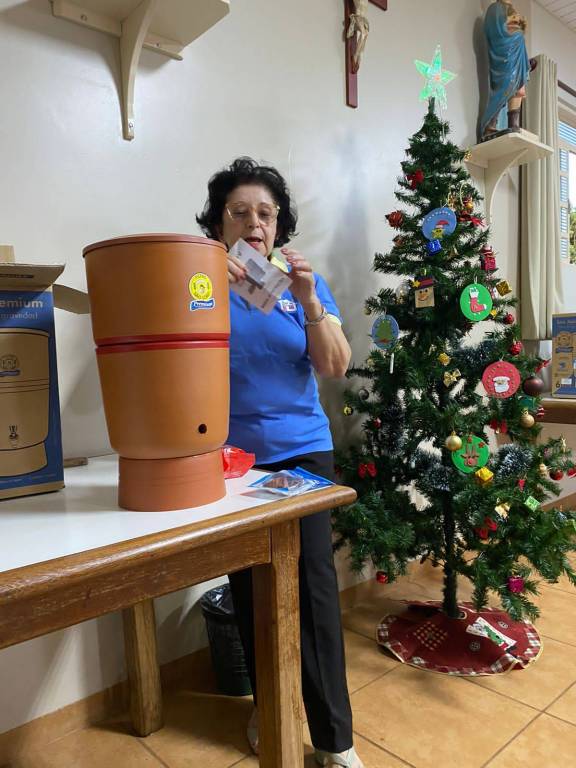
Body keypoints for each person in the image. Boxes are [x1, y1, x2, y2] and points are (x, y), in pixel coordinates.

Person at [197, 157, 363, 768]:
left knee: (314, 589)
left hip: (304, 450)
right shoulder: (200, 281)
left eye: (265, 214)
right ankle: (269, 708)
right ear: (219, 224)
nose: (254, 223)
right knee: (249, 589)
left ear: (278, 225)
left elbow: (335, 365)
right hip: (234, 461)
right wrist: (201, 276)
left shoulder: (302, 286)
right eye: (239, 212)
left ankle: (335, 741)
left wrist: (307, 300)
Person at [481, 0, 530, 139]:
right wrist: (515, 34)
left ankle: (513, 124)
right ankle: (490, 126)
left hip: (517, 54)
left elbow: (518, 28)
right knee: (504, 88)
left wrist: (518, 30)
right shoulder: (495, 9)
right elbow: (495, 32)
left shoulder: (511, 9)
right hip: (504, 57)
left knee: (518, 89)